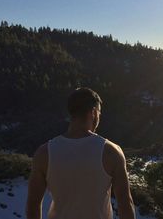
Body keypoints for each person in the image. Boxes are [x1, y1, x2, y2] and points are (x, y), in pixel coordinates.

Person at [26, 87, 135, 219]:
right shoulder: (111, 151)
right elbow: (125, 203)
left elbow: (33, 204)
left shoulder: (44, 153)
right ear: (93, 113)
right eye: (99, 113)